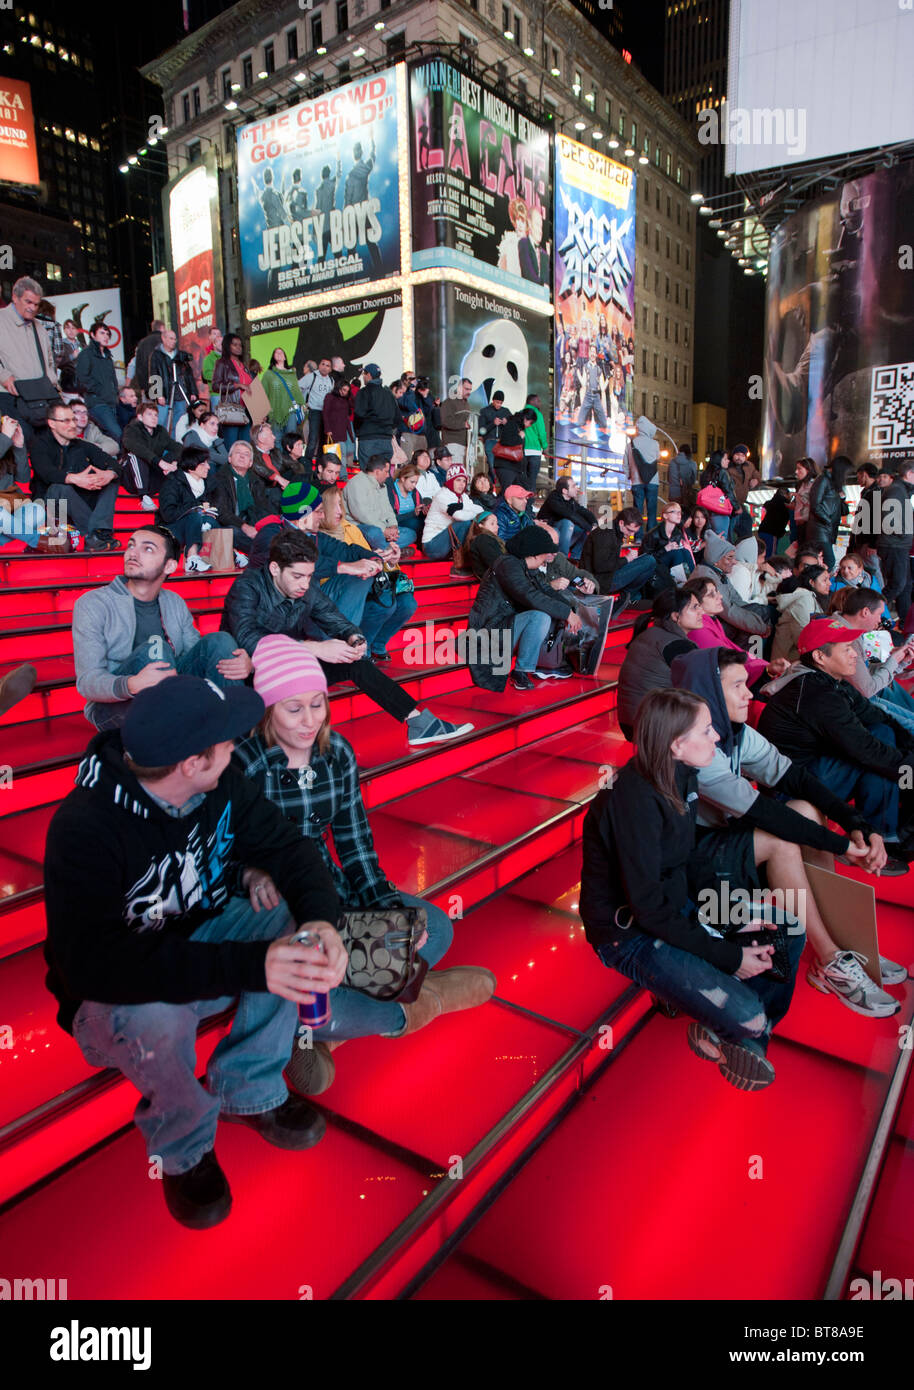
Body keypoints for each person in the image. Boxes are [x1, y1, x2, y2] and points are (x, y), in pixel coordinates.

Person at [44, 674, 348, 1228]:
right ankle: (185, 1148)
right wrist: (253, 966)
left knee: (291, 921)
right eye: (227, 739)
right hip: (114, 994)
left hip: (198, 940)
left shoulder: (222, 778)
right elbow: (95, 967)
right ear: (191, 763)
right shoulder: (84, 827)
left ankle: (249, 1089)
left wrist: (322, 921)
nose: (238, 746)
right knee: (156, 1014)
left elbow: (289, 848)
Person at [231, 638, 496, 1094]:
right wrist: (248, 873)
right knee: (313, 982)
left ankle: (325, 1035)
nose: (310, 720)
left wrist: (392, 911)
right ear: (268, 708)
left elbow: (356, 848)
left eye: (317, 704)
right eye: (294, 709)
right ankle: (421, 1000)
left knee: (434, 925)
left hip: (332, 892)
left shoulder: (338, 754)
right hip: (282, 909)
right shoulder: (246, 763)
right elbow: (221, 848)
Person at [580, 688, 806, 1091]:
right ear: (676, 744)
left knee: (786, 926)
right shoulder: (633, 799)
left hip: (677, 904)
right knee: (747, 1014)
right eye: (706, 730)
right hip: (627, 933)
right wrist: (729, 953)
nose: (717, 736)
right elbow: (646, 907)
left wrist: (725, 912)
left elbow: (682, 864)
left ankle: (745, 1036)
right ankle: (749, 1030)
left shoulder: (683, 773)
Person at [671, 648, 905, 1012]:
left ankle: (844, 944)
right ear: (709, 693)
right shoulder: (693, 748)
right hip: (690, 867)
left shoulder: (733, 732)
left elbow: (794, 775)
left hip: (722, 842)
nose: (750, 693)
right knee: (781, 840)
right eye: (738, 686)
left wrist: (856, 823)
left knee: (808, 809)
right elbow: (763, 812)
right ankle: (828, 960)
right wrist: (842, 845)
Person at [223, 530, 473, 746]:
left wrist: (354, 637)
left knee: (357, 663)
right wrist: (313, 648)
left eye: (309, 576)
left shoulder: (305, 588)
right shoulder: (247, 587)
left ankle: (418, 721)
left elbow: (332, 617)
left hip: (291, 664)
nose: (304, 584)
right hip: (250, 671)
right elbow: (249, 639)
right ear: (275, 568)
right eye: (297, 576)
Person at [759, 620, 914, 859]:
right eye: (847, 649)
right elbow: (866, 750)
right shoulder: (814, 692)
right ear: (820, 657)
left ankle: (889, 827)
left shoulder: (828, 680)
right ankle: (881, 839)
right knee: (877, 755)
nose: (855, 655)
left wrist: (909, 748)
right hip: (791, 791)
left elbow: (877, 716)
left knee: (884, 732)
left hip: (817, 769)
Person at [72, 524, 252, 729]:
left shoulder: (174, 602)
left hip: (170, 692)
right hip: (116, 705)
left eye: (147, 548)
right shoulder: (93, 604)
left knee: (221, 641)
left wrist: (243, 662)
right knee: (156, 650)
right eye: (131, 545)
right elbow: (87, 681)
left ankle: (233, 738)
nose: (133, 553)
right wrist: (133, 683)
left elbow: (197, 655)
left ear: (169, 567)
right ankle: (192, 737)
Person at [466, 526, 583, 691]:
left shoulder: (527, 567)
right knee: (540, 616)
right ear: (534, 553)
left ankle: (544, 663)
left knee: (549, 612)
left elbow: (547, 591)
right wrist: (566, 613)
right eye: (546, 552)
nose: (549, 556)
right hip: (488, 631)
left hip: (505, 625)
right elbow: (530, 596)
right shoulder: (507, 565)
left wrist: (570, 610)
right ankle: (521, 671)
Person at [29, 401, 120, 551]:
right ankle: (94, 534)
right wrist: (75, 478)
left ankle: (97, 533)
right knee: (60, 488)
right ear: (52, 423)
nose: (73, 425)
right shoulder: (40, 445)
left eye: (73, 420)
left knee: (111, 480)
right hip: (50, 501)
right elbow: (47, 473)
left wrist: (109, 474)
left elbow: (113, 463)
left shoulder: (82, 445)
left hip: (80, 500)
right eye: (66, 421)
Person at [616, 587, 705, 738]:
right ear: (675, 616)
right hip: (653, 727)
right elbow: (701, 688)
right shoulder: (677, 645)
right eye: (694, 607)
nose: (701, 612)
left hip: (632, 722)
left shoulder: (651, 634)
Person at [826, 586, 914, 732]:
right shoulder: (845, 635)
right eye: (879, 614)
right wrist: (893, 661)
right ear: (865, 612)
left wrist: (899, 661)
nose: (880, 620)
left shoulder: (842, 626)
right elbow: (867, 690)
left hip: (859, 697)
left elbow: (865, 672)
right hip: (851, 702)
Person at [684, 575, 789, 691]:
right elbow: (726, 661)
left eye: (717, 591)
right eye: (711, 594)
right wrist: (766, 669)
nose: (720, 596)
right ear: (696, 603)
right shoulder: (698, 629)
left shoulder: (710, 621)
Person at [690, 531, 771, 646]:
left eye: (734, 557)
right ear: (716, 561)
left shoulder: (718, 573)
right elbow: (728, 611)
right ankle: (739, 657)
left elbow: (737, 599)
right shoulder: (707, 576)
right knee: (757, 615)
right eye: (729, 558)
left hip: (718, 620)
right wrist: (761, 627)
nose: (734, 562)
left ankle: (746, 657)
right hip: (704, 626)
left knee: (758, 610)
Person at [0, 275, 59, 428]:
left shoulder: (39, 327)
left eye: (36, 304)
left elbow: (50, 360)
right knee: (22, 445)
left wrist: (52, 383)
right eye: (28, 302)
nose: (32, 308)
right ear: (14, 297)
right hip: (10, 397)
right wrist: (3, 376)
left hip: (40, 397)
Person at [580, 506, 659, 614]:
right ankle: (626, 597)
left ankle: (630, 597)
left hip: (604, 576)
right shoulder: (606, 533)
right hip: (599, 581)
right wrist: (626, 559)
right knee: (649, 561)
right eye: (630, 530)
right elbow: (601, 566)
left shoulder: (613, 531)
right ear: (621, 523)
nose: (631, 535)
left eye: (635, 532)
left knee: (648, 560)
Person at [157, 445, 222, 573]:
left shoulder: (210, 484)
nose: (208, 467)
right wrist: (195, 507)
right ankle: (192, 558)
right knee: (194, 515)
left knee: (212, 520)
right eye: (203, 464)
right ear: (191, 466)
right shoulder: (173, 482)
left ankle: (229, 554)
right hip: (171, 528)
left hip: (197, 525)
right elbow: (168, 514)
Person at [344, 454, 418, 551]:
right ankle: (390, 550)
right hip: (361, 526)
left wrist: (393, 527)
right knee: (375, 533)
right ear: (377, 472)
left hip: (382, 526)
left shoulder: (382, 485)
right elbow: (362, 515)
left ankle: (385, 549)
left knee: (410, 534)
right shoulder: (356, 483)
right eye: (386, 472)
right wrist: (384, 530)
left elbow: (388, 509)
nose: (388, 475)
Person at [211, 440, 272, 556]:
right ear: (229, 458)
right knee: (233, 532)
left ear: (250, 463)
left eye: (246, 454)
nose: (242, 456)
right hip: (232, 524)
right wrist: (244, 526)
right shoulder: (220, 479)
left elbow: (263, 509)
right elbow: (221, 512)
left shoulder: (256, 482)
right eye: (238, 452)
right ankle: (263, 554)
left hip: (254, 523)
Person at [873, 462, 913, 625]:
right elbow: (889, 519)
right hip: (894, 545)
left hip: (897, 545)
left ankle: (906, 622)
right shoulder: (896, 490)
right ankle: (870, 611)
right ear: (909, 473)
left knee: (905, 585)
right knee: (897, 584)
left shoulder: (900, 490)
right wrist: (905, 532)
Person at [121, 400, 182, 506]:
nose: (154, 418)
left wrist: (175, 462)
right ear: (140, 417)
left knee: (176, 455)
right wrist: (159, 462)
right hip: (132, 478)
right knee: (135, 455)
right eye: (149, 414)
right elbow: (135, 447)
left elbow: (178, 448)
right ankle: (144, 497)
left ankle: (178, 494)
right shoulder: (131, 429)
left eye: (156, 415)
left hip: (153, 475)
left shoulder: (160, 431)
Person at [421, 462, 482, 561]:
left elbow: (480, 509)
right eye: (458, 480)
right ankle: (461, 559)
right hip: (432, 546)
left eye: (464, 481)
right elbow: (459, 516)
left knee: (476, 523)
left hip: (449, 543)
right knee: (465, 523)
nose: (462, 484)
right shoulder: (442, 495)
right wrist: (470, 508)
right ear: (451, 481)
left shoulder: (463, 497)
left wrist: (463, 506)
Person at [771, 564, 830, 663]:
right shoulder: (804, 600)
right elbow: (803, 637)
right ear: (811, 582)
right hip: (786, 663)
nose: (830, 583)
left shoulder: (814, 598)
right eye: (825, 580)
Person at [75, 323, 120, 443]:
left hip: (111, 401)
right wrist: (98, 390)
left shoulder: (108, 356)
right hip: (97, 402)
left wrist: (115, 392)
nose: (106, 336)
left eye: (107, 334)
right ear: (92, 335)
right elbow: (81, 379)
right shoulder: (86, 354)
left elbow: (112, 379)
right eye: (102, 333)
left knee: (110, 436)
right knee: (117, 433)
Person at [534, 477, 597, 560]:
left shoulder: (571, 501)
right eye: (573, 486)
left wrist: (594, 524)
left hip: (561, 531)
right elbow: (570, 515)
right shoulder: (554, 499)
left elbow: (584, 511)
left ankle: (575, 558)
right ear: (565, 491)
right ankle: (562, 558)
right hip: (547, 530)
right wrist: (589, 528)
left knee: (582, 528)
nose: (576, 489)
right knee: (568, 523)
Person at [148, 328, 196, 433]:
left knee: (179, 424)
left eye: (175, 339)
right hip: (165, 394)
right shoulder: (156, 355)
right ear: (163, 339)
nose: (174, 341)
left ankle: (176, 446)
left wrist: (192, 391)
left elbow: (188, 374)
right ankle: (160, 447)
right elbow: (154, 375)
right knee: (161, 422)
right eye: (171, 338)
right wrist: (158, 395)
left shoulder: (180, 355)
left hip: (180, 393)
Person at [805, 456, 848, 570]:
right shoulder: (823, 480)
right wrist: (828, 521)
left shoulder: (833, 483)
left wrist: (842, 498)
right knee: (828, 561)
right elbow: (815, 505)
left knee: (824, 561)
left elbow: (844, 511)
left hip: (826, 529)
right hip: (820, 529)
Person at [353, 363, 399, 465]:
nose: (363, 377)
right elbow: (397, 418)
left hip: (368, 439)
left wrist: (358, 431)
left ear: (369, 375)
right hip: (386, 440)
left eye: (364, 374)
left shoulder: (363, 392)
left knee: (368, 475)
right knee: (384, 474)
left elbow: (358, 414)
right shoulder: (388, 394)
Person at [212, 334, 252, 448]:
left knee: (246, 447)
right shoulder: (222, 363)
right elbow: (215, 385)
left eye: (240, 345)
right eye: (234, 345)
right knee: (232, 447)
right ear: (227, 346)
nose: (238, 347)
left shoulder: (244, 366)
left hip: (247, 411)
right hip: (232, 410)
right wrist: (237, 385)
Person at [642, 500, 695, 582]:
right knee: (676, 553)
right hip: (654, 566)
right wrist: (665, 549)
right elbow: (645, 558)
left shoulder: (677, 533)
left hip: (670, 564)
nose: (679, 515)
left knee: (685, 552)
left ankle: (692, 581)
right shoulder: (653, 534)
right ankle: (679, 582)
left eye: (680, 512)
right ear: (665, 515)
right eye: (674, 512)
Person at [627, 416, 661, 532]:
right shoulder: (655, 444)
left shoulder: (631, 444)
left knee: (637, 511)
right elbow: (658, 458)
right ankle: (651, 534)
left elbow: (625, 463)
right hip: (653, 481)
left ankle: (638, 536)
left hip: (636, 481)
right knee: (652, 510)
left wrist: (629, 476)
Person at [262, 347, 305, 434]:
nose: (279, 354)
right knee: (276, 439)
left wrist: (302, 405)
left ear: (285, 357)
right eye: (276, 353)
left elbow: (296, 392)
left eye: (281, 352)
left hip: (291, 410)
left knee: (290, 437)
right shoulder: (268, 374)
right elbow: (263, 393)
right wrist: (263, 413)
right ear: (273, 357)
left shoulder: (291, 374)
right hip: (274, 411)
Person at [300, 357, 335, 466]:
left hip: (326, 413)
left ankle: (319, 468)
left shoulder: (331, 381)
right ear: (319, 365)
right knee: (313, 438)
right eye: (323, 364)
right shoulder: (312, 376)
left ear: (330, 369)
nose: (324, 367)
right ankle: (307, 465)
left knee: (323, 441)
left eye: (327, 365)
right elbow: (298, 387)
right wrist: (302, 402)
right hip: (314, 411)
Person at [321, 378, 355, 477]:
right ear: (338, 388)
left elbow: (352, 406)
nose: (345, 393)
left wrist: (350, 395)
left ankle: (341, 475)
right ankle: (340, 475)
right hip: (333, 430)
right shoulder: (329, 397)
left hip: (342, 430)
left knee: (343, 454)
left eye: (347, 391)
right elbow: (325, 413)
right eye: (343, 390)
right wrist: (327, 429)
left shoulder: (345, 400)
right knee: (336, 455)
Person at [438, 377, 474, 465]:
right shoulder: (449, 402)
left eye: (470, 389)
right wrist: (463, 424)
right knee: (455, 471)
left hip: (465, 444)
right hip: (453, 443)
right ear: (459, 388)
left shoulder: (466, 404)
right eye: (466, 389)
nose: (469, 392)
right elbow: (445, 421)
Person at [479, 390, 511, 477]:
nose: (499, 405)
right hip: (490, 442)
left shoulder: (506, 412)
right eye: (497, 402)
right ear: (493, 400)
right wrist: (493, 424)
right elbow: (481, 431)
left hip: (502, 443)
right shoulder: (484, 411)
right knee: (493, 466)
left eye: (501, 403)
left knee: (502, 467)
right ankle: (494, 485)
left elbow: (513, 428)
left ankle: (495, 485)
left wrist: (507, 423)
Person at [464, 511, 504, 580]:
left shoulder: (486, 538)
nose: (497, 527)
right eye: (492, 524)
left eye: (497, 523)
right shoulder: (482, 539)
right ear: (481, 525)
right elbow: (496, 563)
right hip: (492, 581)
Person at [758, 481, 792, 558]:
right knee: (771, 555)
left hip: (762, 530)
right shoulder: (785, 505)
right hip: (772, 533)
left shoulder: (771, 502)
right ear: (785, 494)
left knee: (761, 553)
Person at [131, 319, 164, 398]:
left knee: (150, 408)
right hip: (164, 385)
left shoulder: (142, 343)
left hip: (148, 386)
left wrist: (142, 386)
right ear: (162, 328)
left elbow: (138, 366)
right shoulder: (164, 340)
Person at [520, 403, 547, 495]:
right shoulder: (537, 414)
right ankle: (529, 503)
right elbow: (541, 432)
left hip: (523, 450)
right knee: (532, 480)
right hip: (534, 451)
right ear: (533, 401)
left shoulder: (522, 413)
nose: (540, 402)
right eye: (538, 400)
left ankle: (522, 501)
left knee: (523, 478)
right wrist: (545, 446)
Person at [787, 457, 815, 546]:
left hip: (808, 524)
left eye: (799, 469)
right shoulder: (801, 484)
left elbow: (812, 502)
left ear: (808, 470)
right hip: (798, 523)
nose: (796, 472)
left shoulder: (813, 485)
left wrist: (797, 495)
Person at [668, 443, 697, 510]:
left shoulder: (672, 462)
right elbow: (693, 480)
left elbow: (668, 478)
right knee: (686, 514)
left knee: (674, 514)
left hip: (673, 494)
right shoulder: (692, 463)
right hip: (686, 494)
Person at [200, 327, 223, 406]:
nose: (217, 336)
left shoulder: (228, 357)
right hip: (216, 393)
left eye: (219, 334)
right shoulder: (208, 356)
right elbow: (206, 374)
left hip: (228, 393)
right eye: (214, 334)